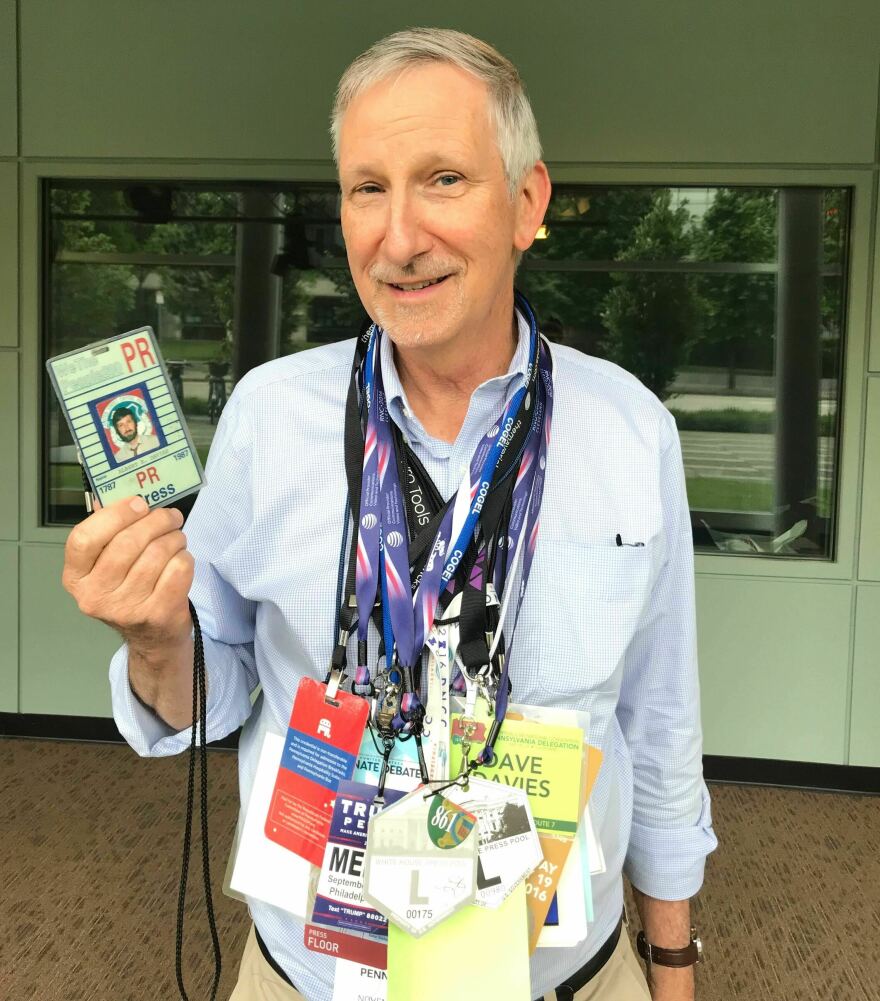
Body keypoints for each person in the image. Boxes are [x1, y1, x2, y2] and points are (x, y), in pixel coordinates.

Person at [61, 28, 716, 1001]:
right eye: (368, 187)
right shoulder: (269, 418)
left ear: (526, 202)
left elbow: (658, 719)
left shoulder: (630, 429)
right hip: (309, 977)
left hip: (567, 976)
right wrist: (157, 641)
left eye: (443, 177)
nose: (399, 236)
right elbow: (217, 687)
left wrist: (670, 960)